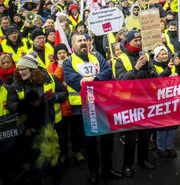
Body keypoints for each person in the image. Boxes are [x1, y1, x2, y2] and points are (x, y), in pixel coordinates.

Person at [63, 33, 122, 183]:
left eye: (85, 40)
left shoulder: (97, 57)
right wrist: (90, 80)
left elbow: (108, 72)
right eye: (79, 41)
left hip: (102, 105)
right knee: (89, 143)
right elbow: (73, 81)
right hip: (83, 108)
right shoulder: (68, 62)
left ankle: (108, 169)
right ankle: (93, 171)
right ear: (73, 45)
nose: (83, 43)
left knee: (107, 140)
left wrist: (93, 78)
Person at [7, 54, 68, 184]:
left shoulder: (50, 78)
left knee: (53, 160)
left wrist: (55, 96)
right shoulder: (16, 84)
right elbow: (11, 104)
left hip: (51, 127)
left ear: (33, 69)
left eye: (24, 69)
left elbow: (64, 94)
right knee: (35, 163)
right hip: (30, 130)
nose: (20, 72)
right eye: (19, 69)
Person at [113, 30, 156, 178]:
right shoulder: (121, 59)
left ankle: (143, 160)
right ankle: (127, 165)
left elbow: (154, 77)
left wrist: (150, 70)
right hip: (130, 102)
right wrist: (136, 68)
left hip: (145, 101)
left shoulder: (143, 55)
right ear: (128, 42)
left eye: (139, 40)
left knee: (145, 135)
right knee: (131, 137)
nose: (138, 43)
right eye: (135, 41)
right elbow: (121, 81)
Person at [151, 45, 180, 157]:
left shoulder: (173, 63)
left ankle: (170, 147)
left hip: (173, 100)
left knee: (172, 126)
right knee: (162, 127)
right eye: (162, 54)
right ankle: (161, 147)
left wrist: (179, 65)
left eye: (166, 54)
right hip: (160, 101)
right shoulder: (152, 66)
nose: (165, 56)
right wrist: (168, 70)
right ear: (157, 56)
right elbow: (157, 81)